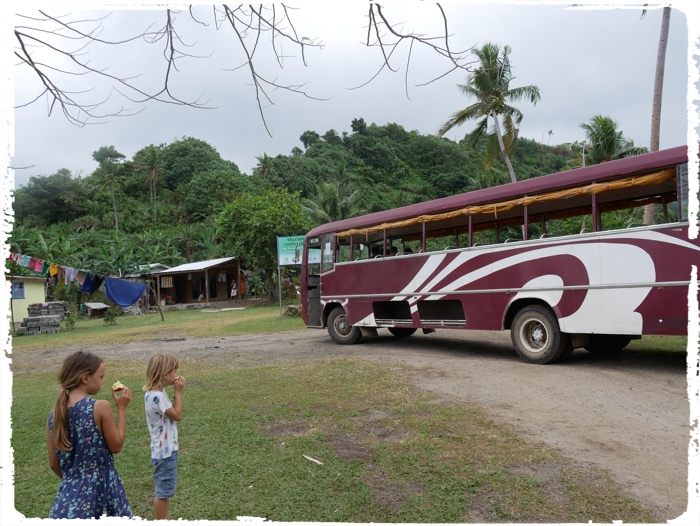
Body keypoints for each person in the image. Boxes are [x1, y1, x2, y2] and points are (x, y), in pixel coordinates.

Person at [46, 351, 133, 519]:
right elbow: (116, 446)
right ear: (85, 378)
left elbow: (53, 464)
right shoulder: (100, 406)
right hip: (103, 491)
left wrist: (75, 480)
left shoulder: (54, 415)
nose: (103, 381)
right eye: (101, 377)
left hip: (69, 497)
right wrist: (121, 409)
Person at [144, 354, 186, 520]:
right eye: (174, 372)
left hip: (161, 449)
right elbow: (177, 415)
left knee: (165, 491)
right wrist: (178, 392)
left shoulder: (153, 393)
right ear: (164, 374)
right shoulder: (158, 396)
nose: (176, 375)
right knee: (163, 493)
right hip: (166, 451)